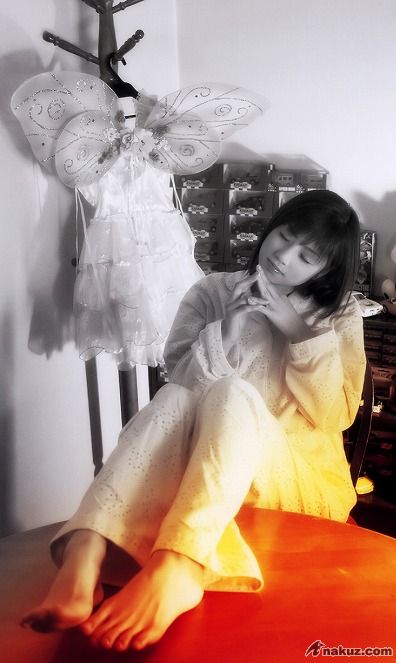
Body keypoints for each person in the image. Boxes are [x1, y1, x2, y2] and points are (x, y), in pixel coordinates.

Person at [21, 190, 366, 651]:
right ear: (272, 227)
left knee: (232, 391)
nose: (283, 257)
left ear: (324, 271)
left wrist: (299, 331)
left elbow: (336, 414)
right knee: (178, 397)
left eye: (306, 257)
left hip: (298, 485)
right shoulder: (211, 292)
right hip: (206, 473)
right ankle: (84, 554)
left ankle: (179, 564)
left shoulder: (338, 314)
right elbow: (181, 386)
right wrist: (231, 327)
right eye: (284, 236)